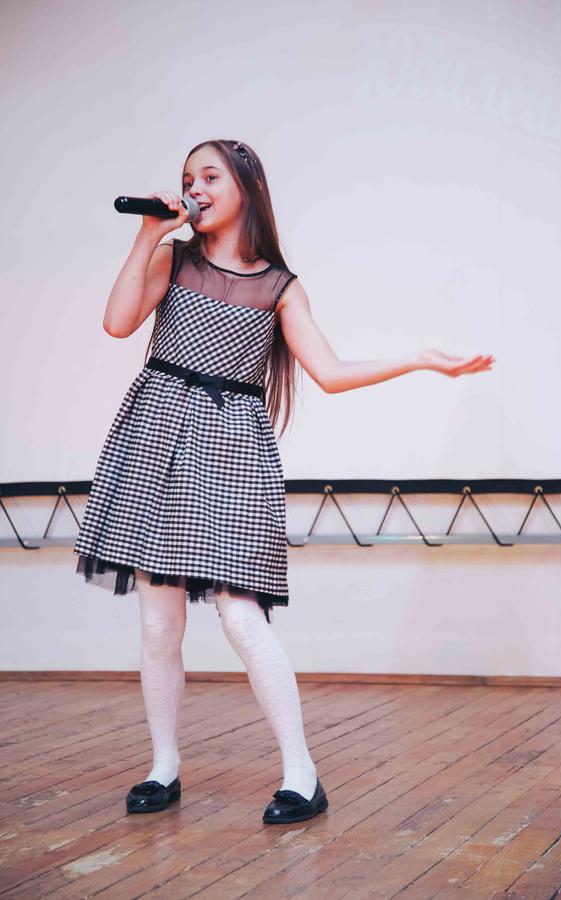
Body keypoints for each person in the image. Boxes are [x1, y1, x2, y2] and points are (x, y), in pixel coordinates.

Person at [73, 138, 495, 824]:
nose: (195, 188)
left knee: (242, 617)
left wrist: (420, 359)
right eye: (188, 178)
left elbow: (330, 372)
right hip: (156, 437)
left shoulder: (279, 286)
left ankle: (302, 773)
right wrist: (149, 234)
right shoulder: (172, 259)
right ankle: (163, 767)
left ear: (247, 188)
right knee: (158, 622)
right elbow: (117, 323)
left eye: (210, 176)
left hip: (232, 448)